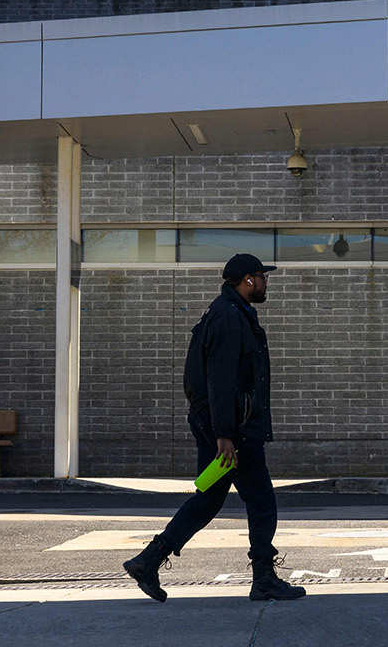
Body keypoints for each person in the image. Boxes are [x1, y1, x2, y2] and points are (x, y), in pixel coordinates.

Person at [122, 253, 306, 602]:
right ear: (247, 280)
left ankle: (149, 560)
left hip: (221, 423)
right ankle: (263, 578)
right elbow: (219, 379)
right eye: (262, 277)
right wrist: (224, 434)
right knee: (262, 500)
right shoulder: (228, 317)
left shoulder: (231, 313)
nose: (267, 283)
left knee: (210, 498)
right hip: (232, 429)